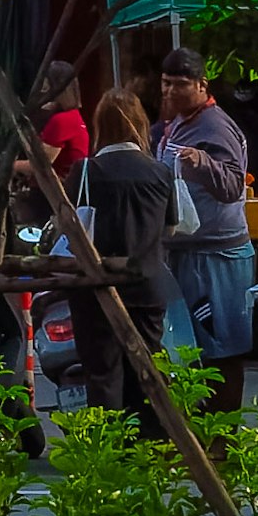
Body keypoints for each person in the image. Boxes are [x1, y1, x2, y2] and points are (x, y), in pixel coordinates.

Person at [155, 65, 257, 406]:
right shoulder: (181, 122)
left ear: (202, 85)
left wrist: (203, 163)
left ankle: (222, 436)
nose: (170, 91)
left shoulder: (215, 126)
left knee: (222, 348)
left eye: (180, 84)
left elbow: (232, 185)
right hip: (188, 253)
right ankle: (202, 433)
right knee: (193, 348)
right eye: (166, 82)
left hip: (217, 257)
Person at [74, 87, 176, 408]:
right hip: (148, 284)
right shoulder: (160, 171)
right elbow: (170, 227)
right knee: (146, 373)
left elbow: (72, 227)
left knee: (102, 374)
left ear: (99, 125)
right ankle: (147, 448)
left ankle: (107, 451)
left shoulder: (87, 171)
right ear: (140, 124)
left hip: (96, 286)